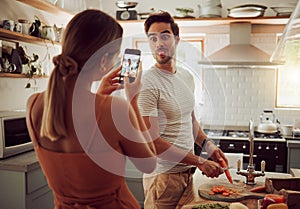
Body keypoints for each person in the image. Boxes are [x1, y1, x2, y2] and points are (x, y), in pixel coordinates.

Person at [26, 9, 156, 209]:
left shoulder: (33, 104)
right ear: (104, 61)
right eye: (115, 56)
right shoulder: (116, 109)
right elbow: (149, 164)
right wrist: (133, 97)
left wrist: (102, 95)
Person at [138, 11, 229, 209]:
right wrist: (199, 161)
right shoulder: (147, 82)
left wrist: (209, 146)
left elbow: (191, 121)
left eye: (164, 36)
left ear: (177, 40)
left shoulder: (186, 77)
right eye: (152, 38)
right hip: (162, 179)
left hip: (188, 175)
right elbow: (152, 142)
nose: (158, 43)